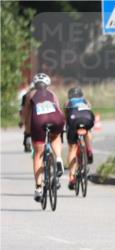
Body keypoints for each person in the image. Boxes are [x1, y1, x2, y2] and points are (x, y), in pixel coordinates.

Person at [21, 73, 65, 202]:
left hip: (39, 121)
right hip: (56, 118)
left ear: (35, 84)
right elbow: (59, 111)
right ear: (47, 84)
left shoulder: (31, 95)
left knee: (38, 154)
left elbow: (27, 117)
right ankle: (58, 158)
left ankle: (38, 188)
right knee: (55, 136)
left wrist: (27, 134)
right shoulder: (53, 94)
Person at [63, 87, 95, 192]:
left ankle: (72, 178)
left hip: (73, 119)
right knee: (88, 131)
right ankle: (89, 151)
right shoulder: (86, 101)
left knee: (72, 148)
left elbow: (65, 118)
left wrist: (65, 130)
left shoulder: (68, 102)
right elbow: (90, 110)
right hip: (88, 117)